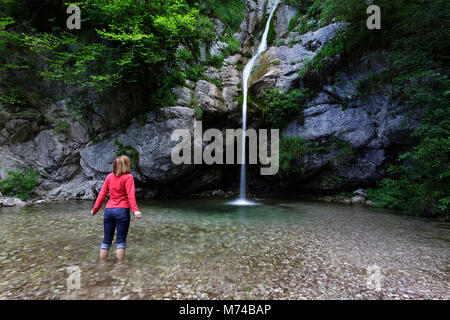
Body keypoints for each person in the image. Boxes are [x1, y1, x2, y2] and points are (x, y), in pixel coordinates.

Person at [91, 155, 142, 264]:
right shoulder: (128, 177)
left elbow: (102, 194)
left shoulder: (109, 176)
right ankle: (120, 267)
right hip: (122, 211)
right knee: (121, 241)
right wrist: (135, 210)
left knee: (106, 240)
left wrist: (95, 209)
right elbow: (131, 196)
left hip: (108, 211)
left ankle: (102, 265)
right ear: (126, 165)